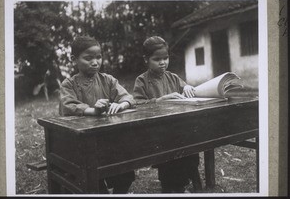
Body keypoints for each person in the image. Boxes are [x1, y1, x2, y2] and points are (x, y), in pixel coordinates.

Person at [59, 36, 135, 194]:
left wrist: (121, 104)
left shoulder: (108, 80)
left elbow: (127, 97)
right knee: (94, 181)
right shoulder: (69, 84)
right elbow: (68, 106)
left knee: (125, 174)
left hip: (108, 140)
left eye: (98, 57)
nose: (95, 62)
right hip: (82, 144)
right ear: (74, 59)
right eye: (88, 58)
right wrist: (93, 110)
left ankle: (120, 192)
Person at [133, 36, 202, 193]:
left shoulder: (173, 77)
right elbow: (136, 104)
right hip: (156, 131)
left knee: (191, 146)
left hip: (177, 127)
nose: (163, 62)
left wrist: (186, 87)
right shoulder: (142, 81)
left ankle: (188, 178)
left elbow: (185, 87)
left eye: (165, 58)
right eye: (157, 59)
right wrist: (159, 100)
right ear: (146, 59)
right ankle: (172, 186)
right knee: (170, 154)